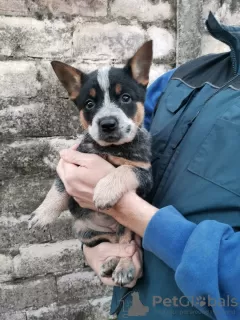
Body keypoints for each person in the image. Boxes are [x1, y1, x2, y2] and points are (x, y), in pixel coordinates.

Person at [57, 13, 240, 320]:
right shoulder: (184, 77)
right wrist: (97, 247)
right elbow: (107, 169)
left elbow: (123, 195)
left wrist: (129, 211)